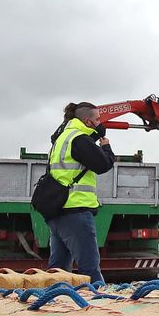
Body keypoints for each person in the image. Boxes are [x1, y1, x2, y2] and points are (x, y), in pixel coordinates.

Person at [46, 102, 114, 283]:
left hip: (58, 209)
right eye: (98, 119)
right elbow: (102, 164)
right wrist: (106, 147)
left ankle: (53, 302)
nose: (101, 123)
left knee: (57, 270)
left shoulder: (62, 138)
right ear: (87, 121)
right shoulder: (79, 139)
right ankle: (97, 305)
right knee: (89, 270)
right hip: (76, 210)